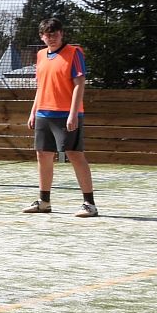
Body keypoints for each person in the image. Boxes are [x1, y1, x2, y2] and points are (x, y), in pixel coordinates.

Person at [24, 17, 98, 217]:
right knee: (43, 155)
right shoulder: (41, 55)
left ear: (62, 34)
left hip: (66, 114)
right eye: (48, 35)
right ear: (42, 36)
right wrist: (33, 111)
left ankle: (89, 204)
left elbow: (79, 84)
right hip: (44, 113)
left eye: (55, 34)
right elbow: (41, 86)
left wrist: (73, 113)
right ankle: (44, 202)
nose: (52, 38)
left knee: (75, 154)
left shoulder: (74, 53)